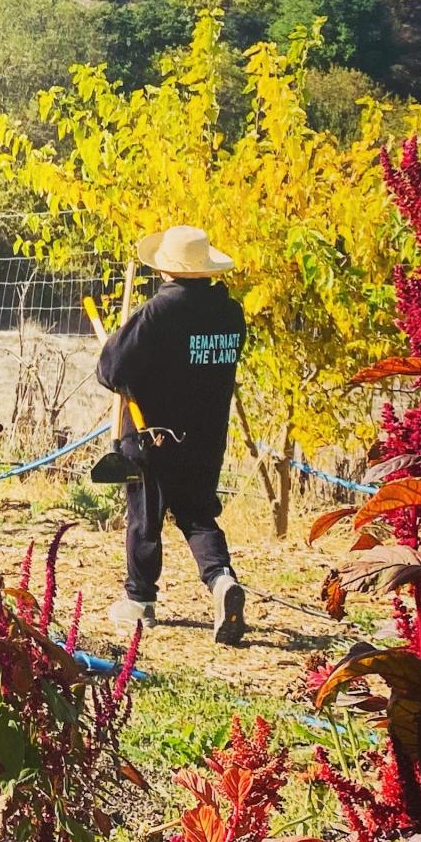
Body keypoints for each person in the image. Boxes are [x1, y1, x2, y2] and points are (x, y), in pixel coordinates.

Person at [96, 224, 248, 646]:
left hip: (153, 434)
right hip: (206, 436)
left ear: (166, 268)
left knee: (145, 517)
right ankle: (221, 579)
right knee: (197, 514)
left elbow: (112, 370)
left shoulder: (157, 312)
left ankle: (140, 601)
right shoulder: (230, 314)